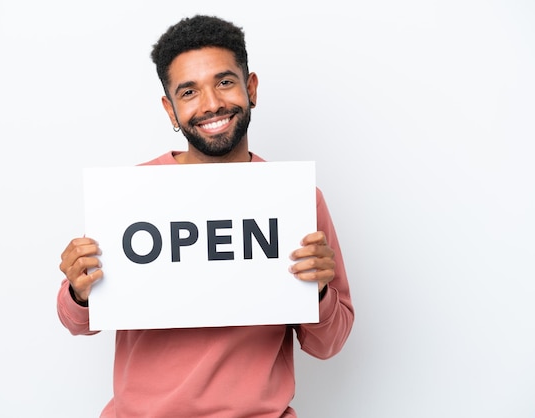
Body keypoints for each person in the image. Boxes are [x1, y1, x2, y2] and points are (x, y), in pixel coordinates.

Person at [57, 14, 354, 418]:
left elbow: (328, 343)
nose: (211, 104)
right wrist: (78, 289)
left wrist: (318, 291)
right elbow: (77, 320)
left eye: (225, 82)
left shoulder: (296, 198)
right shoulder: (132, 195)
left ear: (251, 88)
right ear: (170, 110)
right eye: (189, 91)